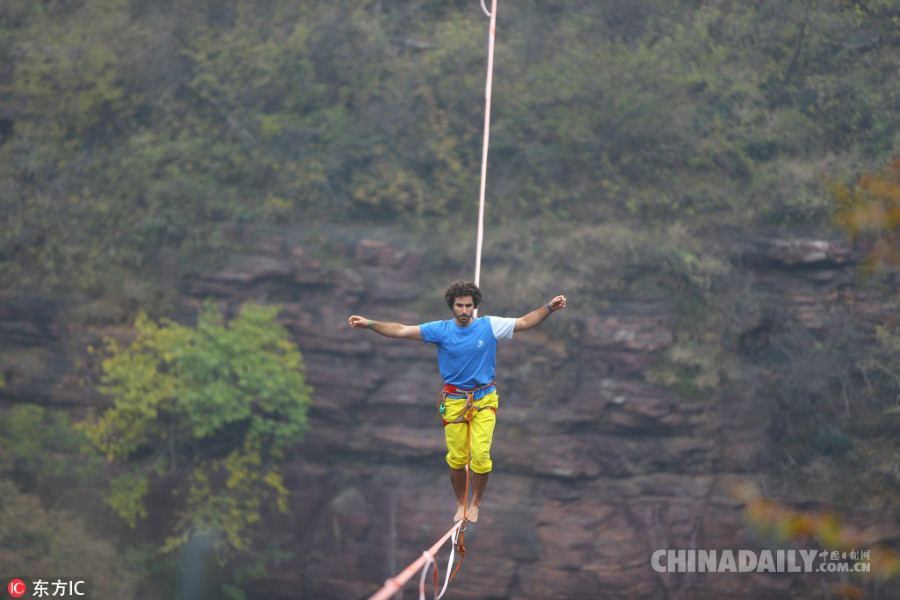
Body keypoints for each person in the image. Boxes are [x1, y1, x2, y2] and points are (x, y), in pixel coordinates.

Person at [348, 280, 567, 523]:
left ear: (475, 306)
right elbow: (401, 330)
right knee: (457, 458)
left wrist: (549, 307)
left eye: (468, 306)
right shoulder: (440, 330)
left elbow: (525, 322)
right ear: (452, 306)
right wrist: (369, 324)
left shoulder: (489, 326)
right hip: (454, 400)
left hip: (484, 398)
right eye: (459, 306)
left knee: (480, 455)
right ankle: (461, 503)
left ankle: (475, 504)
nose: (464, 311)